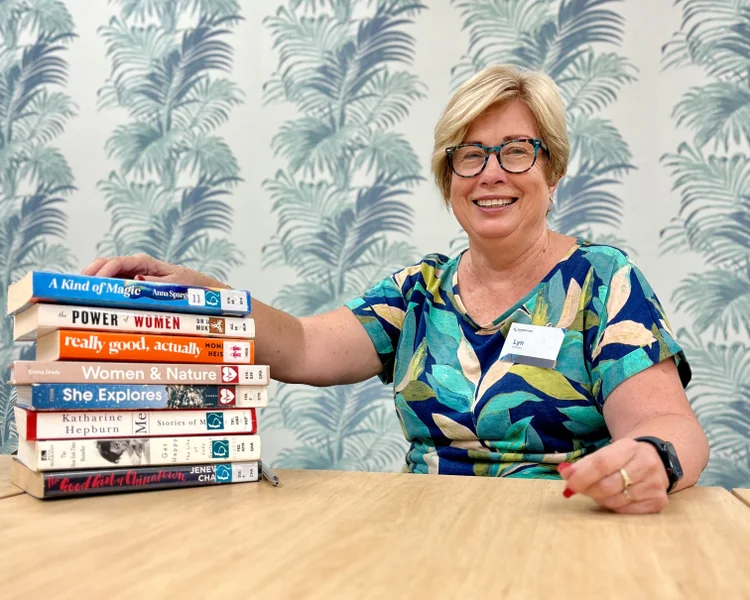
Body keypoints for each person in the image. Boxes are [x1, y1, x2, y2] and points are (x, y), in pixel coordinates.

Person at [83, 65, 709, 514]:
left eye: (517, 151)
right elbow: (301, 346)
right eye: (470, 154)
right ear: (449, 178)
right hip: (423, 535)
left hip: (561, 535)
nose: (491, 172)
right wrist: (206, 295)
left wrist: (653, 458)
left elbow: (664, 422)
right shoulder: (419, 290)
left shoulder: (602, 281)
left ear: (552, 170)